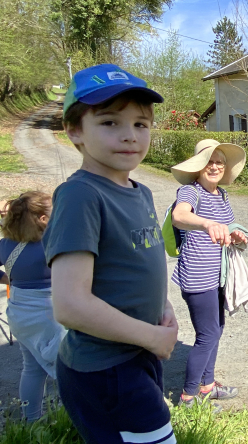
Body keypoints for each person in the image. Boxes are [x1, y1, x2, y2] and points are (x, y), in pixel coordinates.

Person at [44, 64, 178, 443]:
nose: (129, 136)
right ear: (74, 131)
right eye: (109, 123)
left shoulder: (143, 191)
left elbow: (140, 257)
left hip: (137, 354)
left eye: (140, 124)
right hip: (106, 369)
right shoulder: (81, 195)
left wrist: (162, 308)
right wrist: (151, 338)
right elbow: (69, 305)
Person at [169, 138, 248, 410]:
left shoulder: (222, 195)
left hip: (218, 274)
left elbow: (226, 230)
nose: (215, 167)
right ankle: (188, 398)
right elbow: (179, 216)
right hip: (196, 275)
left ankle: (208, 386)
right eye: (209, 162)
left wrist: (236, 236)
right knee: (207, 335)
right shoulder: (191, 192)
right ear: (199, 166)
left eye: (220, 162)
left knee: (217, 329)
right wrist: (206, 223)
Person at [0, 192, 66, 422]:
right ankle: (76, 419)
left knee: (32, 368)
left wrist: (6, 278)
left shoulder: (7, 244)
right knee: (70, 370)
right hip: (51, 314)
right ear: (42, 218)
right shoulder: (53, 242)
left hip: (20, 314)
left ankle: (31, 421)